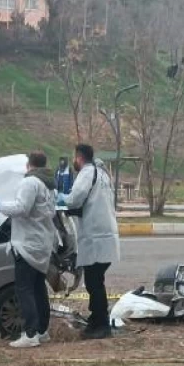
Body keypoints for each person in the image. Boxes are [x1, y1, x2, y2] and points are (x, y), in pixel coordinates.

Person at [0, 151, 56, 348]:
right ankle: (42, 330)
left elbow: (22, 208)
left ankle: (30, 333)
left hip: (27, 243)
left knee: (24, 289)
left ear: (28, 165)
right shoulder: (49, 185)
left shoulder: (30, 182)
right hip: (42, 243)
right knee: (38, 288)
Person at [59, 144, 120, 339]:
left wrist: (61, 199)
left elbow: (75, 199)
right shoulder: (102, 174)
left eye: (74, 158)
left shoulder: (87, 173)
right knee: (95, 281)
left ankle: (101, 324)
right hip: (105, 235)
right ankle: (97, 320)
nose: (74, 162)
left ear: (79, 157)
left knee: (94, 282)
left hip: (96, 237)